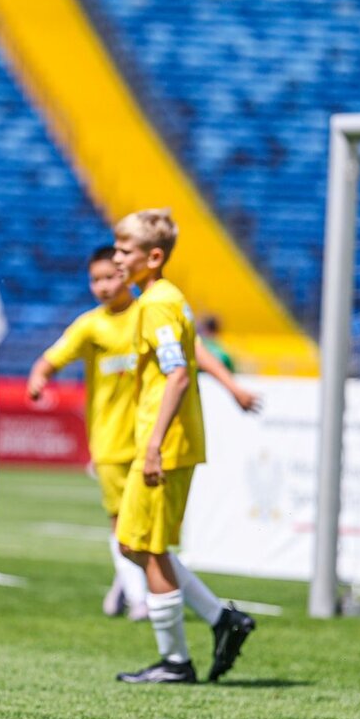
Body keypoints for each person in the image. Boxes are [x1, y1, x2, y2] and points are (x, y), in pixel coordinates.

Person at [28, 246, 260, 623]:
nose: (104, 286)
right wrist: (39, 377)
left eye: (110, 276)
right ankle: (140, 599)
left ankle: (142, 591)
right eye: (96, 280)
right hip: (109, 442)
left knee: (144, 535)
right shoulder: (91, 325)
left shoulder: (149, 313)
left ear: (126, 273)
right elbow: (51, 358)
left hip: (151, 440)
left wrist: (232, 386)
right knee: (123, 526)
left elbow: (193, 349)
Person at [110, 209, 255, 684]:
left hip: (164, 442)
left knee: (148, 547)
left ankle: (175, 661)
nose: (117, 258)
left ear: (153, 257)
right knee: (133, 543)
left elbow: (176, 373)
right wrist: (231, 385)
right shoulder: (166, 298)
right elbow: (191, 349)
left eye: (125, 251)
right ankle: (220, 618)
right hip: (164, 438)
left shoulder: (156, 304)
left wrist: (153, 446)